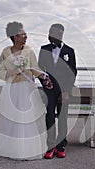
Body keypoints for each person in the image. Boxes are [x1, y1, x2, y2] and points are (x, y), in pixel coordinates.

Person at [0, 21, 51, 160]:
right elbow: (1, 72)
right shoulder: (5, 52)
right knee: (12, 118)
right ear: (15, 36)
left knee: (27, 118)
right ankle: (12, 147)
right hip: (11, 89)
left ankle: (27, 148)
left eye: (25, 33)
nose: (26, 36)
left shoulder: (29, 51)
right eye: (23, 34)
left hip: (27, 89)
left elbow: (35, 69)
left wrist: (44, 77)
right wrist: (14, 71)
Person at [38, 23, 77, 159]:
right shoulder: (44, 49)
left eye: (55, 33)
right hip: (49, 91)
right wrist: (44, 82)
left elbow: (72, 72)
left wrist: (66, 91)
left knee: (62, 118)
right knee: (49, 117)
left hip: (64, 91)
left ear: (61, 34)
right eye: (50, 32)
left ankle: (61, 146)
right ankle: (50, 146)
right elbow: (39, 69)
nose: (52, 35)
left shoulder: (69, 51)